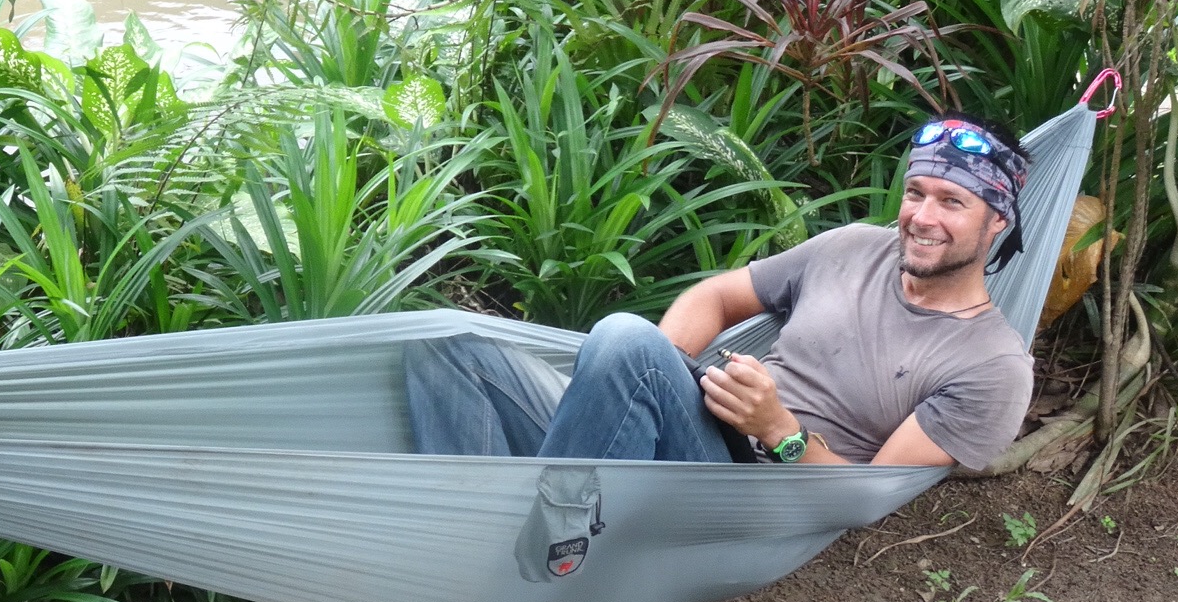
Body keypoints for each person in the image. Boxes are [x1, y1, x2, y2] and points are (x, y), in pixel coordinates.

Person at [406, 114, 1034, 472]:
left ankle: (557, 537)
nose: (922, 216)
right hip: (691, 420)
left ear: (997, 222)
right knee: (444, 344)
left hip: (746, 483)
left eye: (952, 202)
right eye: (916, 192)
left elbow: (870, 495)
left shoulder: (992, 366)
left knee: (625, 339)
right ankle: (482, 531)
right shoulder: (851, 247)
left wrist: (778, 430)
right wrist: (659, 376)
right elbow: (716, 297)